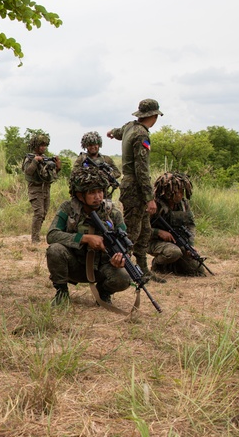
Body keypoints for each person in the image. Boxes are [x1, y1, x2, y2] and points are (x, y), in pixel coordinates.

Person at [46, 167, 131, 307]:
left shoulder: (113, 213)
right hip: (75, 265)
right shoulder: (68, 208)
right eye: (92, 193)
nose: (98, 196)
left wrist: (121, 258)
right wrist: (85, 238)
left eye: (100, 191)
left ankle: (103, 293)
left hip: (102, 268)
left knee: (124, 278)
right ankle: (61, 292)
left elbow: (125, 243)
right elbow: (52, 235)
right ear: (80, 195)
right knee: (55, 250)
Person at [106, 98, 164, 284]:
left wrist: (111, 133)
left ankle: (143, 270)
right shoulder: (142, 135)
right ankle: (123, 270)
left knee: (145, 230)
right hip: (135, 188)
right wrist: (149, 198)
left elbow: (118, 132)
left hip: (130, 185)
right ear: (154, 116)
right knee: (131, 231)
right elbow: (142, 169)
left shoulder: (130, 127)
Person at [149, 172, 204, 276]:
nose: (182, 194)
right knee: (174, 252)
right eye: (179, 191)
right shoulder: (154, 206)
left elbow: (190, 225)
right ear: (170, 192)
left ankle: (172, 265)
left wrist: (190, 246)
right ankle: (157, 264)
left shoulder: (183, 205)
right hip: (151, 241)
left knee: (197, 270)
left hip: (176, 241)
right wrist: (158, 232)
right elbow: (141, 228)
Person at [21, 131, 62, 243]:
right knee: (38, 213)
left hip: (46, 189)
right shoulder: (30, 158)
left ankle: (37, 234)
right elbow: (28, 172)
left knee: (43, 213)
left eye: (45, 145)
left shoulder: (46, 159)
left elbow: (51, 175)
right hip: (35, 189)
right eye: (41, 145)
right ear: (36, 146)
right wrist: (35, 161)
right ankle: (35, 239)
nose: (43, 148)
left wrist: (57, 167)